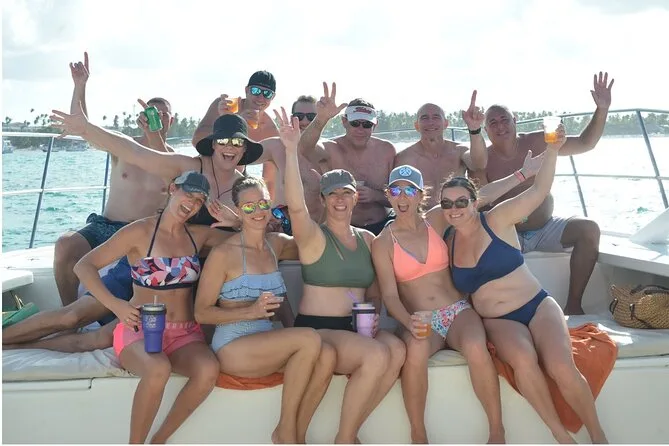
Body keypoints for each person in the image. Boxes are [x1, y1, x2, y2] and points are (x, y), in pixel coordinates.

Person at [442, 124, 608, 444]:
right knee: (523, 361)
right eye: (447, 204)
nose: (454, 209)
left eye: (461, 202)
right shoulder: (446, 242)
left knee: (561, 366)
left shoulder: (497, 219)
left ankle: (599, 437)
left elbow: (538, 192)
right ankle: (562, 437)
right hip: (498, 320)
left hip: (536, 305)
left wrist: (552, 152)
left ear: (475, 202)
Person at [279, 107, 406, 443]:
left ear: (355, 197)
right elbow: (295, 206)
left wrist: (375, 314)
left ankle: (348, 430)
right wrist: (291, 150)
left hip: (355, 329)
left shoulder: (368, 239)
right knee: (376, 355)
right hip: (318, 328)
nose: (339, 199)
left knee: (397, 350)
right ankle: (346, 438)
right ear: (322, 199)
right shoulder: (313, 236)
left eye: (346, 193)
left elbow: (376, 291)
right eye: (332, 193)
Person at [73, 171, 224, 444]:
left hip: (185, 333)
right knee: (157, 369)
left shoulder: (198, 236)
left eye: (199, 200)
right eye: (188, 194)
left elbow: (246, 242)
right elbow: (84, 266)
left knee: (207, 370)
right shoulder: (139, 231)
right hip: (139, 330)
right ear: (172, 189)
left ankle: (160, 439)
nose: (192, 203)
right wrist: (116, 305)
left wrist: (236, 221)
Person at [194, 176, 336, 444]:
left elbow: (314, 242)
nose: (257, 211)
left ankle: (297, 434)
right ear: (238, 211)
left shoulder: (277, 244)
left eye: (262, 204)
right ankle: (285, 432)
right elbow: (201, 313)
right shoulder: (224, 253)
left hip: (266, 343)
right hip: (233, 346)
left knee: (327, 354)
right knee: (309, 338)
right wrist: (249, 312)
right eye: (248, 207)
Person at [371, 165, 505, 444]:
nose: (402, 197)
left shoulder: (436, 219)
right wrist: (408, 322)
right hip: (419, 319)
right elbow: (390, 297)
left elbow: (478, 198)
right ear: (388, 195)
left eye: (410, 190)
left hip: (457, 311)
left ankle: (496, 432)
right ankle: (418, 435)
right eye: (396, 190)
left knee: (475, 346)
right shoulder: (382, 243)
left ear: (421, 195)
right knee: (416, 351)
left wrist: (522, 175)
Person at [473, 72, 615, 315]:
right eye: (493, 123)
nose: (500, 126)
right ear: (485, 129)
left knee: (588, 229)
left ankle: (573, 305)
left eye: (504, 119)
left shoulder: (540, 141)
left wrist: (602, 109)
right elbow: (481, 204)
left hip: (545, 227)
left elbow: (585, 143)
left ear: (515, 120)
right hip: (509, 235)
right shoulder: (482, 159)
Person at [54, 52, 175, 307]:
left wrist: (155, 136)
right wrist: (80, 85)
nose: (158, 117)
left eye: (164, 115)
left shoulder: (177, 161)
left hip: (144, 233)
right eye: (152, 112)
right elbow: (84, 128)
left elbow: (170, 174)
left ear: (171, 121)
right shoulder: (124, 146)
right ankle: (69, 313)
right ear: (140, 117)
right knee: (66, 244)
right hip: (107, 227)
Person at [50, 103, 285, 233]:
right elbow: (135, 152)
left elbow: (266, 229)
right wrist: (86, 128)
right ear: (213, 145)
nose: (230, 147)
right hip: (181, 258)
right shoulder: (188, 167)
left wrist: (237, 222)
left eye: (237, 143)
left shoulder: (245, 187)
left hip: (221, 264)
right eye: (223, 141)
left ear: (244, 150)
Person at [299, 82, 396, 235]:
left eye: (367, 124)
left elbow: (403, 196)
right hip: (344, 230)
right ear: (344, 122)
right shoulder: (331, 149)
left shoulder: (386, 150)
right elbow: (304, 148)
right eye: (355, 123)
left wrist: (375, 195)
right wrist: (321, 118)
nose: (360, 129)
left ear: (375, 125)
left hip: (383, 226)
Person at [394, 91, 488, 208]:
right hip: (422, 216)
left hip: (456, 213)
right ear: (416, 126)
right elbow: (396, 195)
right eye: (424, 118)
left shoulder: (459, 151)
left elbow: (479, 164)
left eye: (436, 117)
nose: (430, 122)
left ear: (446, 124)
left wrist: (474, 129)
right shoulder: (404, 158)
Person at [191, 70, 281, 193]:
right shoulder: (225, 105)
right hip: (207, 169)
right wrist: (232, 121)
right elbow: (197, 140)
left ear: (272, 97)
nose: (261, 97)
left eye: (267, 94)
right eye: (256, 91)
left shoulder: (270, 130)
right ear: (246, 90)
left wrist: (267, 204)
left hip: (237, 176)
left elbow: (270, 179)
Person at [266, 95, 331, 234]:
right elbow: (241, 152)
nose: (305, 121)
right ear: (291, 118)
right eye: (299, 116)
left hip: (316, 231)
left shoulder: (328, 152)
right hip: (281, 229)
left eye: (312, 117)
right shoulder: (276, 147)